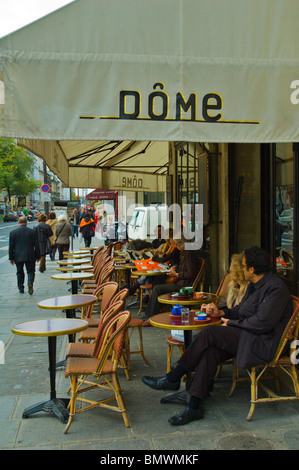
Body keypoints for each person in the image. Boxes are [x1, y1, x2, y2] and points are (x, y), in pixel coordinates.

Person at [142, 246, 293, 426]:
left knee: (210, 332)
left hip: (263, 341)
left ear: (252, 269)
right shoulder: (255, 285)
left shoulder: (275, 289)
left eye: (244, 267)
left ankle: (174, 376)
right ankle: (194, 406)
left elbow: (261, 324)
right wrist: (220, 312)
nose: (241, 270)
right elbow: (239, 311)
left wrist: (229, 323)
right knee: (210, 351)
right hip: (247, 334)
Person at [141, 238, 199, 325]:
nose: (176, 246)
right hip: (181, 281)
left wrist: (176, 274)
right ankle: (154, 312)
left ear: (182, 244)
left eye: (177, 244)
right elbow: (186, 269)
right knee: (158, 284)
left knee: (157, 288)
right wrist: (176, 268)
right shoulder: (187, 252)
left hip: (184, 285)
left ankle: (151, 316)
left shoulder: (189, 254)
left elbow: (190, 274)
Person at [9, 216, 40, 294]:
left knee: (19, 272)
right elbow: (37, 245)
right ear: (26, 223)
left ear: (18, 223)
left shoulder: (13, 233)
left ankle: (21, 288)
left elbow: (11, 246)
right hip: (30, 255)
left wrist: (11, 258)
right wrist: (37, 256)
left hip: (18, 255)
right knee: (31, 271)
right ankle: (30, 283)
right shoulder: (32, 232)